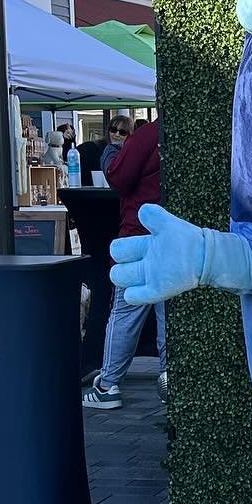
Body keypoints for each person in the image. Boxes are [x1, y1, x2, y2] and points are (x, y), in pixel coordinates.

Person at [84, 115, 162, 411]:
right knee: (169, 312)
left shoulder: (147, 135)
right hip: (174, 236)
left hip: (138, 234)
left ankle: (108, 385)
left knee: (126, 312)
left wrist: (113, 152)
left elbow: (119, 178)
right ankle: (171, 380)